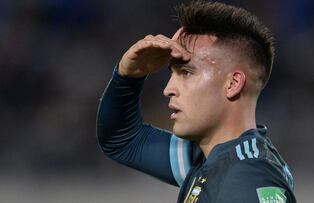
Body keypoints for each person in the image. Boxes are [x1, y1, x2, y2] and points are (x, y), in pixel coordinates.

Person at [97, 1, 296, 202]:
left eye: (186, 72)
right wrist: (129, 76)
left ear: (233, 84)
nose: (168, 89)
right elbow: (122, 140)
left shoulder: (247, 178)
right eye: (172, 73)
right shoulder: (212, 158)